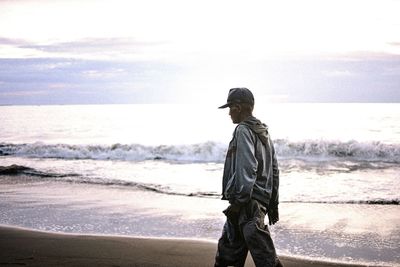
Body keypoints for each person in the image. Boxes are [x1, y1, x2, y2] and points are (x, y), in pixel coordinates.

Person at [215, 88, 282, 267]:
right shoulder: (263, 132)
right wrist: (273, 203)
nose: (229, 113)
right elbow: (274, 170)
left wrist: (238, 203)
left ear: (238, 107)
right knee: (232, 254)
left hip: (246, 204)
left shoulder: (243, 130)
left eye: (230, 108)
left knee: (257, 259)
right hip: (259, 203)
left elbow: (247, 168)